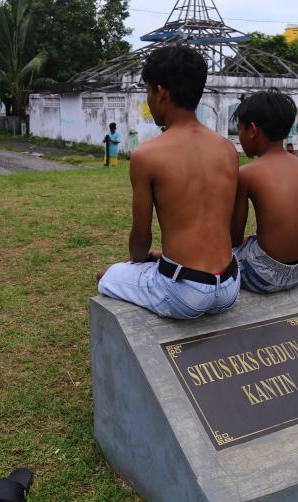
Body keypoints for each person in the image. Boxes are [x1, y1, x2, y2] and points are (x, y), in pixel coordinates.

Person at [96, 46, 239, 319]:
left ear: (161, 92)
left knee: (106, 275)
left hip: (185, 295)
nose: (148, 100)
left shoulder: (147, 155)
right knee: (160, 262)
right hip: (229, 286)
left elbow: (141, 237)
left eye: (148, 92)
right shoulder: (227, 149)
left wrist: (135, 265)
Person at [232, 90, 298, 293]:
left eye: (240, 129)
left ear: (252, 129)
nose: (240, 136)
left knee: (209, 253)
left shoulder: (247, 173)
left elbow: (233, 239)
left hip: (262, 276)